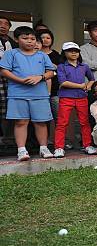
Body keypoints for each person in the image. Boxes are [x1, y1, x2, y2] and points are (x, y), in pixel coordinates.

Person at [0, 26, 56, 160]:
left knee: (41, 122)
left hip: (40, 94)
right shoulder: (11, 54)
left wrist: (40, 77)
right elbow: (3, 71)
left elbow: (51, 72)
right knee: (21, 122)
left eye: (32, 39)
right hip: (17, 93)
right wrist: (20, 80)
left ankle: (44, 148)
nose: (29, 41)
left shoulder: (42, 55)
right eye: (25, 38)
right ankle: (21, 150)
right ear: (16, 39)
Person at [53, 42, 96, 157]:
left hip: (82, 97)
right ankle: (59, 148)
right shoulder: (61, 66)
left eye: (76, 51)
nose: (73, 53)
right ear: (64, 53)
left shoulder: (84, 66)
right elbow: (64, 82)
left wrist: (89, 86)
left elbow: (92, 79)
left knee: (84, 122)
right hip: (66, 97)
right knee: (62, 123)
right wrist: (82, 86)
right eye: (70, 50)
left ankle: (87, 145)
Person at [0, 16, 18, 144]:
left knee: (8, 107)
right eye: (0, 23)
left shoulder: (14, 43)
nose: (3, 26)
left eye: (6, 24)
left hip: (10, 78)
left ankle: (8, 138)